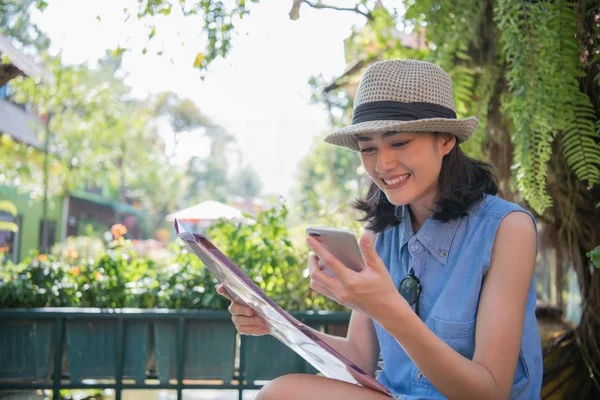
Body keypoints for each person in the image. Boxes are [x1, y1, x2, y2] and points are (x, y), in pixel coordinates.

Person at [217, 59, 542, 399]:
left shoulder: (508, 229)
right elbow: (360, 357)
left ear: (445, 140)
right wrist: (278, 324)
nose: (382, 165)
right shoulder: (379, 235)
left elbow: (489, 392)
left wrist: (389, 309)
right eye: (368, 148)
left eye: (398, 142)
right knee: (279, 393)